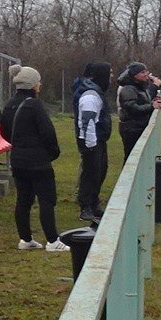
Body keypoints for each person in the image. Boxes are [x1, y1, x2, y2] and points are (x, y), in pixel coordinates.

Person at [2, 66, 63, 249]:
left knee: (23, 200)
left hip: (18, 159)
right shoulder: (34, 105)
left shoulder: (9, 104)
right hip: (38, 160)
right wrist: (52, 152)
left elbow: (4, 131)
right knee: (47, 199)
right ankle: (52, 240)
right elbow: (47, 132)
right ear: (33, 85)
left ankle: (25, 239)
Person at [69, 61, 114, 217]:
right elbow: (87, 121)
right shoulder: (90, 95)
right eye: (109, 73)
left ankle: (93, 203)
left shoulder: (95, 92)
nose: (112, 76)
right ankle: (86, 206)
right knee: (91, 173)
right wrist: (91, 144)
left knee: (100, 171)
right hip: (91, 140)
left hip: (97, 139)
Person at [116, 61, 161, 152]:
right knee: (132, 154)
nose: (146, 74)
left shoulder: (140, 87)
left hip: (139, 126)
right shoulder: (128, 89)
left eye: (146, 71)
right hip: (131, 129)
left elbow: (144, 103)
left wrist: (160, 105)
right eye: (142, 72)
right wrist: (151, 107)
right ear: (134, 75)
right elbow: (133, 108)